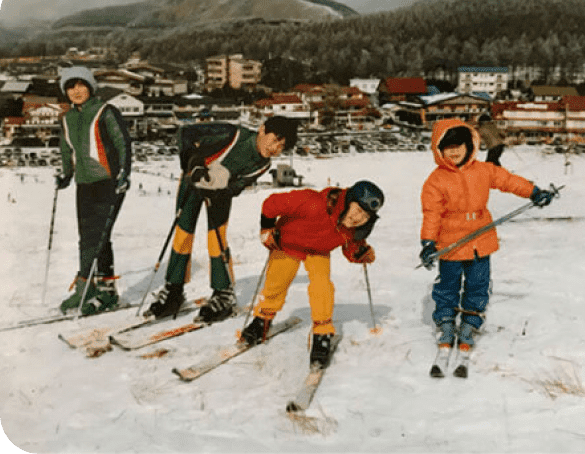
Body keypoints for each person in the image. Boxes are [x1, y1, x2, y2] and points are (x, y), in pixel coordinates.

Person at [144, 115, 299, 323]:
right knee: (183, 233)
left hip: (218, 189)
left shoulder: (262, 164)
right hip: (193, 180)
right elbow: (187, 134)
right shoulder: (231, 134)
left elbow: (237, 186)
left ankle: (223, 294)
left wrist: (221, 192)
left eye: (282, 146)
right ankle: (173, 290)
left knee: (217, 238)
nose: (275, 148)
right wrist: (194, 164)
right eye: (275, 139)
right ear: (262, 129)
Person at [419, 118, 554, 355]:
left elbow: (508, 181)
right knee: (448, 285)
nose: (454, 152)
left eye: (459, 146)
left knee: (478, 283)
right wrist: (428, 242)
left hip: (481, 239)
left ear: (470, 145)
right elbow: (431, 214)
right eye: (448, 148)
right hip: (450, 241)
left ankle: (471, 321)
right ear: (439, 150)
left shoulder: (483, 171)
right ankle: (446, 321)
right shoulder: (435, 180)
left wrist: (533, 192)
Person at [240, 180, 383, 368]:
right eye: (357, 209)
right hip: (288, 244)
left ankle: (322, 331)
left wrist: (360, 254)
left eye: (365, 216)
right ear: (347, 202)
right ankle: (262, 319)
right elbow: (271, 204)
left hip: (318, 251)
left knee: (322, 287)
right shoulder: (312, 202)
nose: (358, 218)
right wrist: (266, 228)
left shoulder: (349, 228)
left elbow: (351, 248)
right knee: (277, 282)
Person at [56, 66, 132, 315]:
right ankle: (99, 289)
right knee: (90, 237)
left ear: (90, 87)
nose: (76, 91)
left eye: (81, 85)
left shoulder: (105, 112)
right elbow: (67, 150)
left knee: (96, 237)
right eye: (70, 87)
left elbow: (122, 142)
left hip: (108, 181)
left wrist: (124, 172)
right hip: (84, 184)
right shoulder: (67, 118)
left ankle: (90, 290)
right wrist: (66, 174)